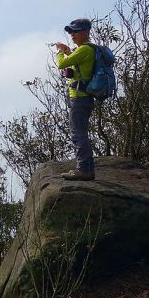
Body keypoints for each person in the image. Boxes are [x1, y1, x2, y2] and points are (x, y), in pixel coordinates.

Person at [53, 18, 97, 181]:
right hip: (83, 97)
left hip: (80, 98)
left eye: (76, 31)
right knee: (81, 133)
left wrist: (59, 52)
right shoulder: (86, 50)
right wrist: (68, 51)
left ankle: (83, 169)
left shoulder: (85, 49)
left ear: (86, 32)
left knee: (78, 134)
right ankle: (87, 168)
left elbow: (62, 64)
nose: (72, 35)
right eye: (71, 32)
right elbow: (76, 65)